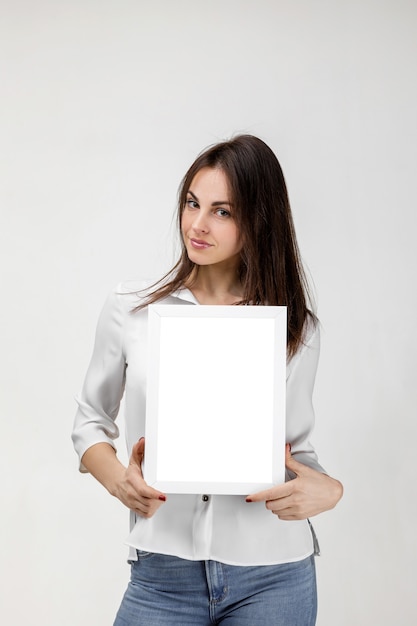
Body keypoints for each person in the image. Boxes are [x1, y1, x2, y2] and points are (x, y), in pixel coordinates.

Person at [72, 135, 343, 625]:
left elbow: (295, 453)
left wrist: (330, 490)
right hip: (162, 574)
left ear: (259, 221)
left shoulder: (297, 328)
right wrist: (120, 483)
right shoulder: (131, 310)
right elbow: (90, 424)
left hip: (274, 574)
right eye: (192, 203)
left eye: (223, 211)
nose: (197, 225)